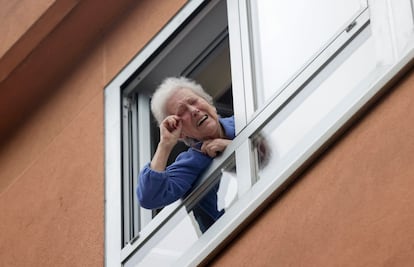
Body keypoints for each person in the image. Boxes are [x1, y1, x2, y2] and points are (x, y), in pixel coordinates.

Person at [137, 77, 235, 233]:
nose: (194, 110)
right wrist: (165, 144)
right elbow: (150, 196)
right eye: (182, 112)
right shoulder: (193, 161)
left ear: (208, 102)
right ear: (181, 133)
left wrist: (233, 147)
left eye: (194, 101)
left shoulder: (244, 118)